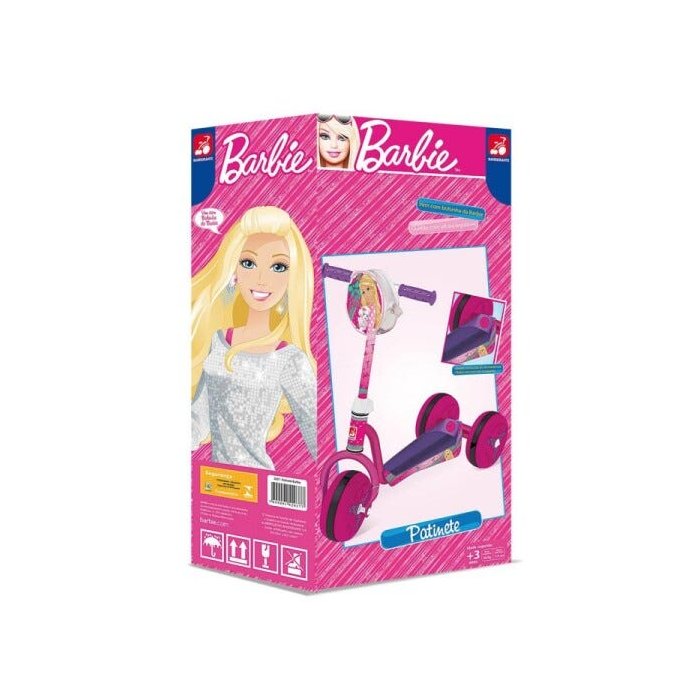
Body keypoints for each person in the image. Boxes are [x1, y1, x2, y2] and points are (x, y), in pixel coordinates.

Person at [191, 206, 317, 469]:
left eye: (278, 267)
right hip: (217, 482)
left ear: (293, 276)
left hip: (260, 481)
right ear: (234, 270)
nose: (261, 279)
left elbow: (320, 438)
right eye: (248, 263)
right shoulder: (217, 341)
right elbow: (197, 420)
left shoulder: (289, 359)